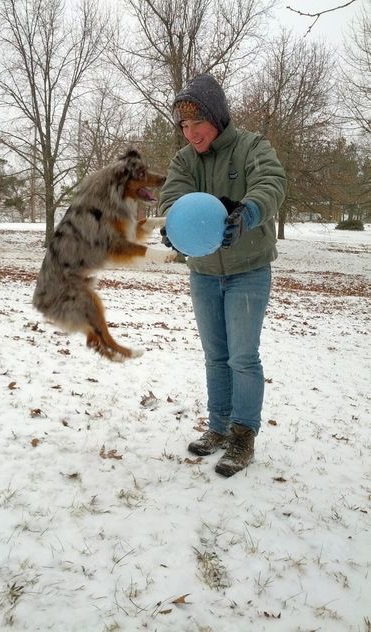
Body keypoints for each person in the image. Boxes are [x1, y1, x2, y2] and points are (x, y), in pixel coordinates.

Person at [159, 74, 287, 477]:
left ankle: (243, 434)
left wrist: (246, 211)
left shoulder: (252, 147)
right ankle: (218, 427)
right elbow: (172, 196)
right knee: (215, 356)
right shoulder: (185, 160)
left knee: (242, 356)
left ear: (217, 117)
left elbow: (271, 182)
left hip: (248, 270)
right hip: (204, 273)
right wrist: (175, 226)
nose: (191, 133)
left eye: (198, 123)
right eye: (184, 126)